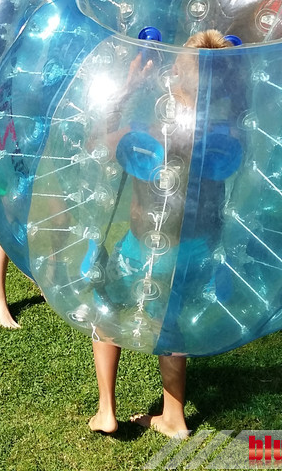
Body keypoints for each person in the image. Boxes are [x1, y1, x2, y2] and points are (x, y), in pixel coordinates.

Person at [89, 29, 234, 440]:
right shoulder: (221, 136)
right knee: (171, 321)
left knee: (106, 306)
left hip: (147, 248)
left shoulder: (152, 131)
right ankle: (173, 416)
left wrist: (129, 86)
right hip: (198, 252)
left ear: (174, 73)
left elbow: (96, 143)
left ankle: (106, 410)